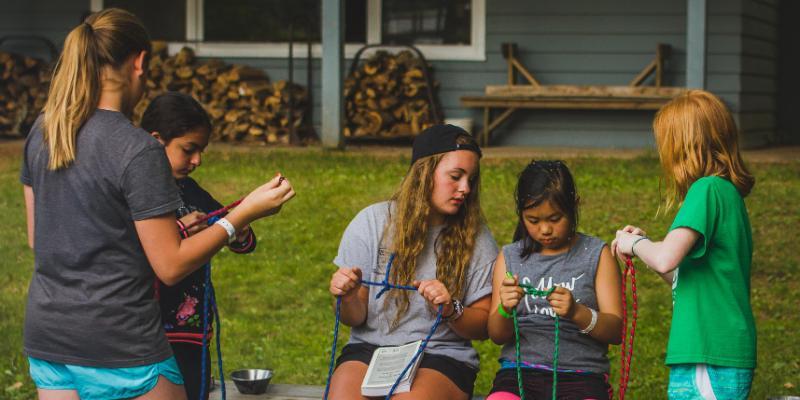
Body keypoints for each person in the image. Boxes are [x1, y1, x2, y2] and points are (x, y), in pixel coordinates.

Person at [20, 9, 294, 400]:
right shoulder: (138, 150)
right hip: (119, 343)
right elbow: (171, 265)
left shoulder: (44, 130)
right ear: (140, 62)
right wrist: (242, 215)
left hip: (49, 338)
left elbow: (37, 237)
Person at [327, 125, 497, 400]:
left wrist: (450, 309)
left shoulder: (476, 238)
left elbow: (483, 327)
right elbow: (354, 318)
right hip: (370, 350)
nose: (465, 188)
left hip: (439, 354)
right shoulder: (372, 223)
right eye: (455, 177)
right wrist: (346, 297)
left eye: (471, 179)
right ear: (423, 173)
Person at [612, 90, 756, 400]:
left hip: (710, 352)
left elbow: (665, 258)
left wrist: (634, 243)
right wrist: (644, 245)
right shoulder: (725, 193)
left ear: (683, 147)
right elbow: (680, 275)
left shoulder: (706, 190)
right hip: (708, 351)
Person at [140, 91, 258, 400]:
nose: (197, 161)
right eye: (189, 150)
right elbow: (134, 247)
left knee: (195, 390)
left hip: (193, 330)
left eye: (201, 151)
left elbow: (237, 236)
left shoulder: (190, 190)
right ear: (156, 141)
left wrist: (240, 228)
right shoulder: (137, 192)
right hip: (147, 331)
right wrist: (179, 229)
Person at [487, 160, 623, 400]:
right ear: (521, 214)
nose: (545, 230)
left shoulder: (596, 255)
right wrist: (505, 309)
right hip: (519, 372)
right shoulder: (509, 257)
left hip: (582, 375)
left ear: (574, 207)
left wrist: (577, 312)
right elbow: (497, 335)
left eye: (554, 218)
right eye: (533, 220)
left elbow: (615, 331)